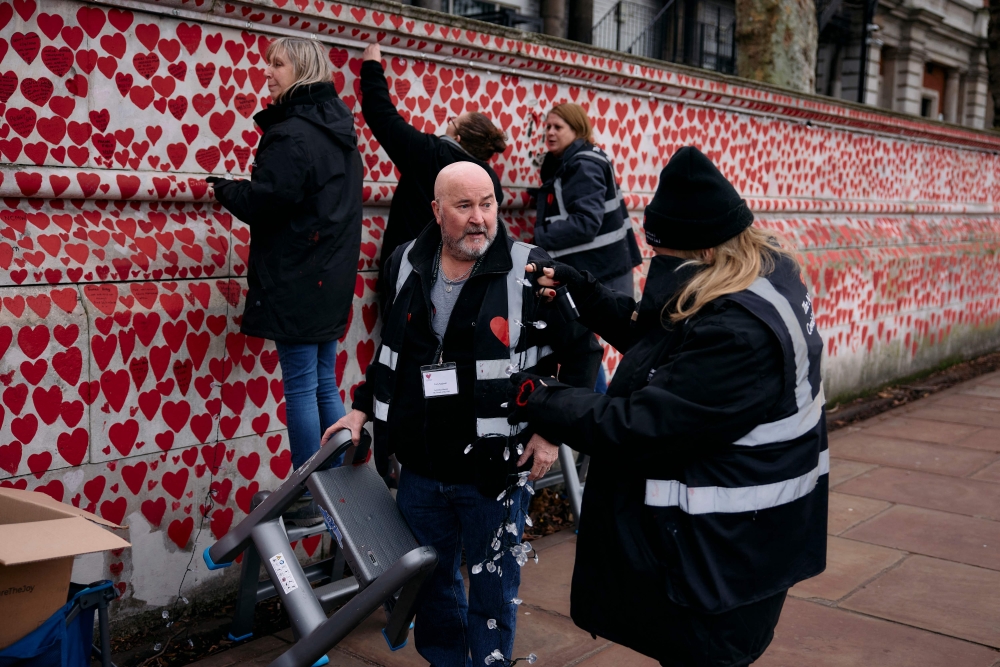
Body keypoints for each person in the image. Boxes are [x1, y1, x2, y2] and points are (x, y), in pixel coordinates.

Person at [507, 147, 827, 667]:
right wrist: (585, 292)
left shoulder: (738, 334)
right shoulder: (758, 278)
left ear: (699, 252)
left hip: (724, 557)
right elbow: (665, 340)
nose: (655, 263)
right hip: (749, 540)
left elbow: (640, 425)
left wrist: (536, 395)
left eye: (662, 253)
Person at [323, 162, 602, 667]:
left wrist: (550, 433)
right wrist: (361, 411)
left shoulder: (530, 269)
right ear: (436, 210)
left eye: (488, 204)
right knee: (430, 589)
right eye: (464, 206)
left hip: (497, 469)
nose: (480, 219)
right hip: (421, 468)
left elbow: (583, 353)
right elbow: (395, 353)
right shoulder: (406, 262)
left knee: (493, 592)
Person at [208, 38, 363, 519]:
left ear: (303, 69)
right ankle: (339, 484)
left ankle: (306, 490)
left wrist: (225, 190)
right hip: (331, 275)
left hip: (299, 276)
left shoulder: (293, 132)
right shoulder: (337, 126)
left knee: (301, 385)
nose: (267, 72)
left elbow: (268, 200)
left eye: (277, 63)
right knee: (323, 380)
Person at [360, 43, 508, 272]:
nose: (448, 122)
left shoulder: (429, 153)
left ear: (458, 137)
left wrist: (371, 66)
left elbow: (382, 115)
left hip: (410, 269)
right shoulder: (489, 179)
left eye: (453, 120)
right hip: (462, 273)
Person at [534, 103, 641, 297]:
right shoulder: (580, 159)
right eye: (548, 127)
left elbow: (586, 222)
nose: (550, 132)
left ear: (577, 129)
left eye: (558, 127)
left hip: (602, 272)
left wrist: (540, 237)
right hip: (602, 265)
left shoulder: (583, 164)